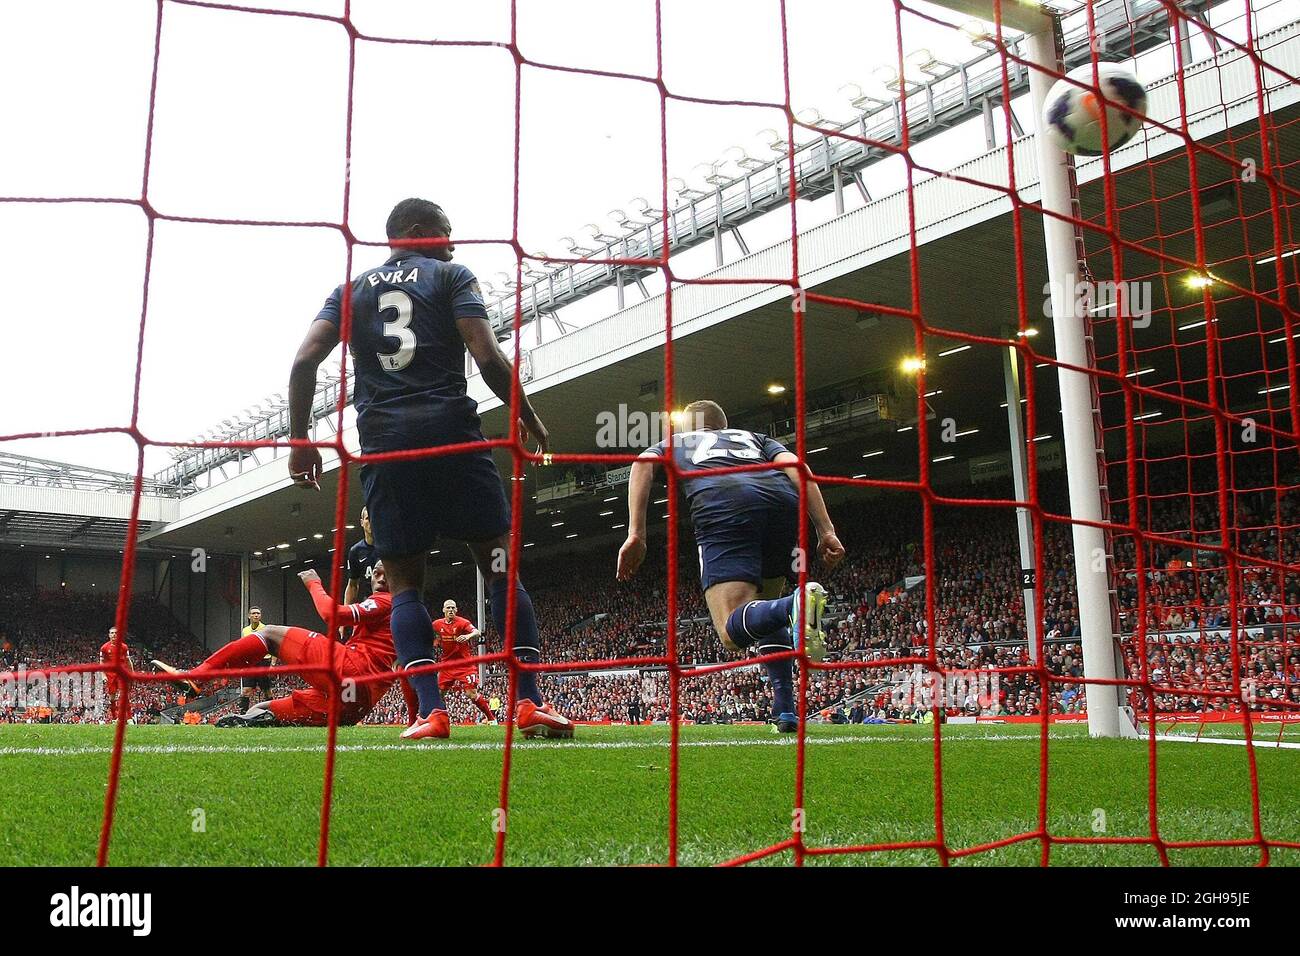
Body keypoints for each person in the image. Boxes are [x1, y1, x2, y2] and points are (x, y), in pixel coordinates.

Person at [287, 197, 572, 740]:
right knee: (499, 569)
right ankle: (530, 704)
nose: (452, 243)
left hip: (388, 450)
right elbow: (488, 358)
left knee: (407, 588)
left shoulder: (350, 291)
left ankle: (429, 714)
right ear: (418, 232)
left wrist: (301, 441)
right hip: (454, 439)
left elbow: (304, 360)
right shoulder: (451, 276)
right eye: (446, 232)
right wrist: (528, 420)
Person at [617, 400, 845, 733]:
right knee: (763, 610)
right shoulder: (759, 439)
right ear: (723, 424)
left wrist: (636, 532)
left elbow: (642, 464)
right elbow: (799, 470)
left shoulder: (679, 442)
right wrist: (826, 530)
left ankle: (796, 603)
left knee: (730, 633)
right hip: (781, 503)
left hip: (723, 502)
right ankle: (784, 709)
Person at [157, 563, 398, 727]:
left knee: (269, 634)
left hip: (352, 672)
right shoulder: (404, 612)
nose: (380, 577)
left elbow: (330, 614)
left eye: (386, 572)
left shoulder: (386, 601)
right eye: (376, 572)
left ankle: (196, 678)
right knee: (260, 711)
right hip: (352, 706)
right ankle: (245, 719)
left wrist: (314, 583)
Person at [432, 599, 496, 724]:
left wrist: (467, 636)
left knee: (471, 694)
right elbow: (428, 633)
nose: (451, 610)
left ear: (456, 610)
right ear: (443, 610)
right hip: (447, 665)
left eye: (453, 608)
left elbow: (476, 632)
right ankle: (440, 721)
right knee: (438, 694)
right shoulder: (437, 624)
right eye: (448, 608)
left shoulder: (462, 622)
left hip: (464, 665)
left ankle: (491, 719)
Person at [239, 606, 273, 711]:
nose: (256, 615)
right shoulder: (245, 631)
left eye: (258, 613)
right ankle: (243, 714)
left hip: (263, 662)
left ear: (260, 616)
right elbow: (243, 647)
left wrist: (273, 665)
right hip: (249, 663)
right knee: (246, 690)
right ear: (249, 616)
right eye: (253, 613)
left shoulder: (266, 629)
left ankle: (271, 712)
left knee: (267, 690)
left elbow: (273, 646)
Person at [344, 506, 379, 606]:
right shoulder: (355, 551)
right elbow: (353, 585)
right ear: (362, 522)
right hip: (370, 603)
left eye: (374, 517)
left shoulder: (390, 545)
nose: (371, 521)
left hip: (391, 602)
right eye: (368, 518)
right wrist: (347, 615)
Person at [99, 626, 132, 722]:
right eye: (112, 633)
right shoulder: (104, 648)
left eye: (116, 633)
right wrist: (103, 675)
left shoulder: (124, 647)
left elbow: (128, 661)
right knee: (112, 698)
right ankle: (114, 718)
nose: (114, 635)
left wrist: (132, 673)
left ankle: (129, 718)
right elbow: (101, 662)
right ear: (109, 635)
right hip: (110, 675)